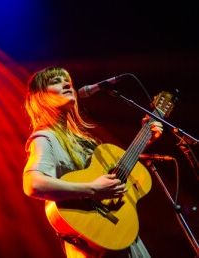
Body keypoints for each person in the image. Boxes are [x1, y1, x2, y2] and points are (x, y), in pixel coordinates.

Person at [22, 66, 163, 258]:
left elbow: (113, 178)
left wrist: (145, 140)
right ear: (39, 97)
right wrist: (93, 189)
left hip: (120, 233)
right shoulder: (45, 137)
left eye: (68, 82)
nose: (66, 84)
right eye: (55, 81)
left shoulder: (82, 140)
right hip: (93, 244)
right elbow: (33, 184)